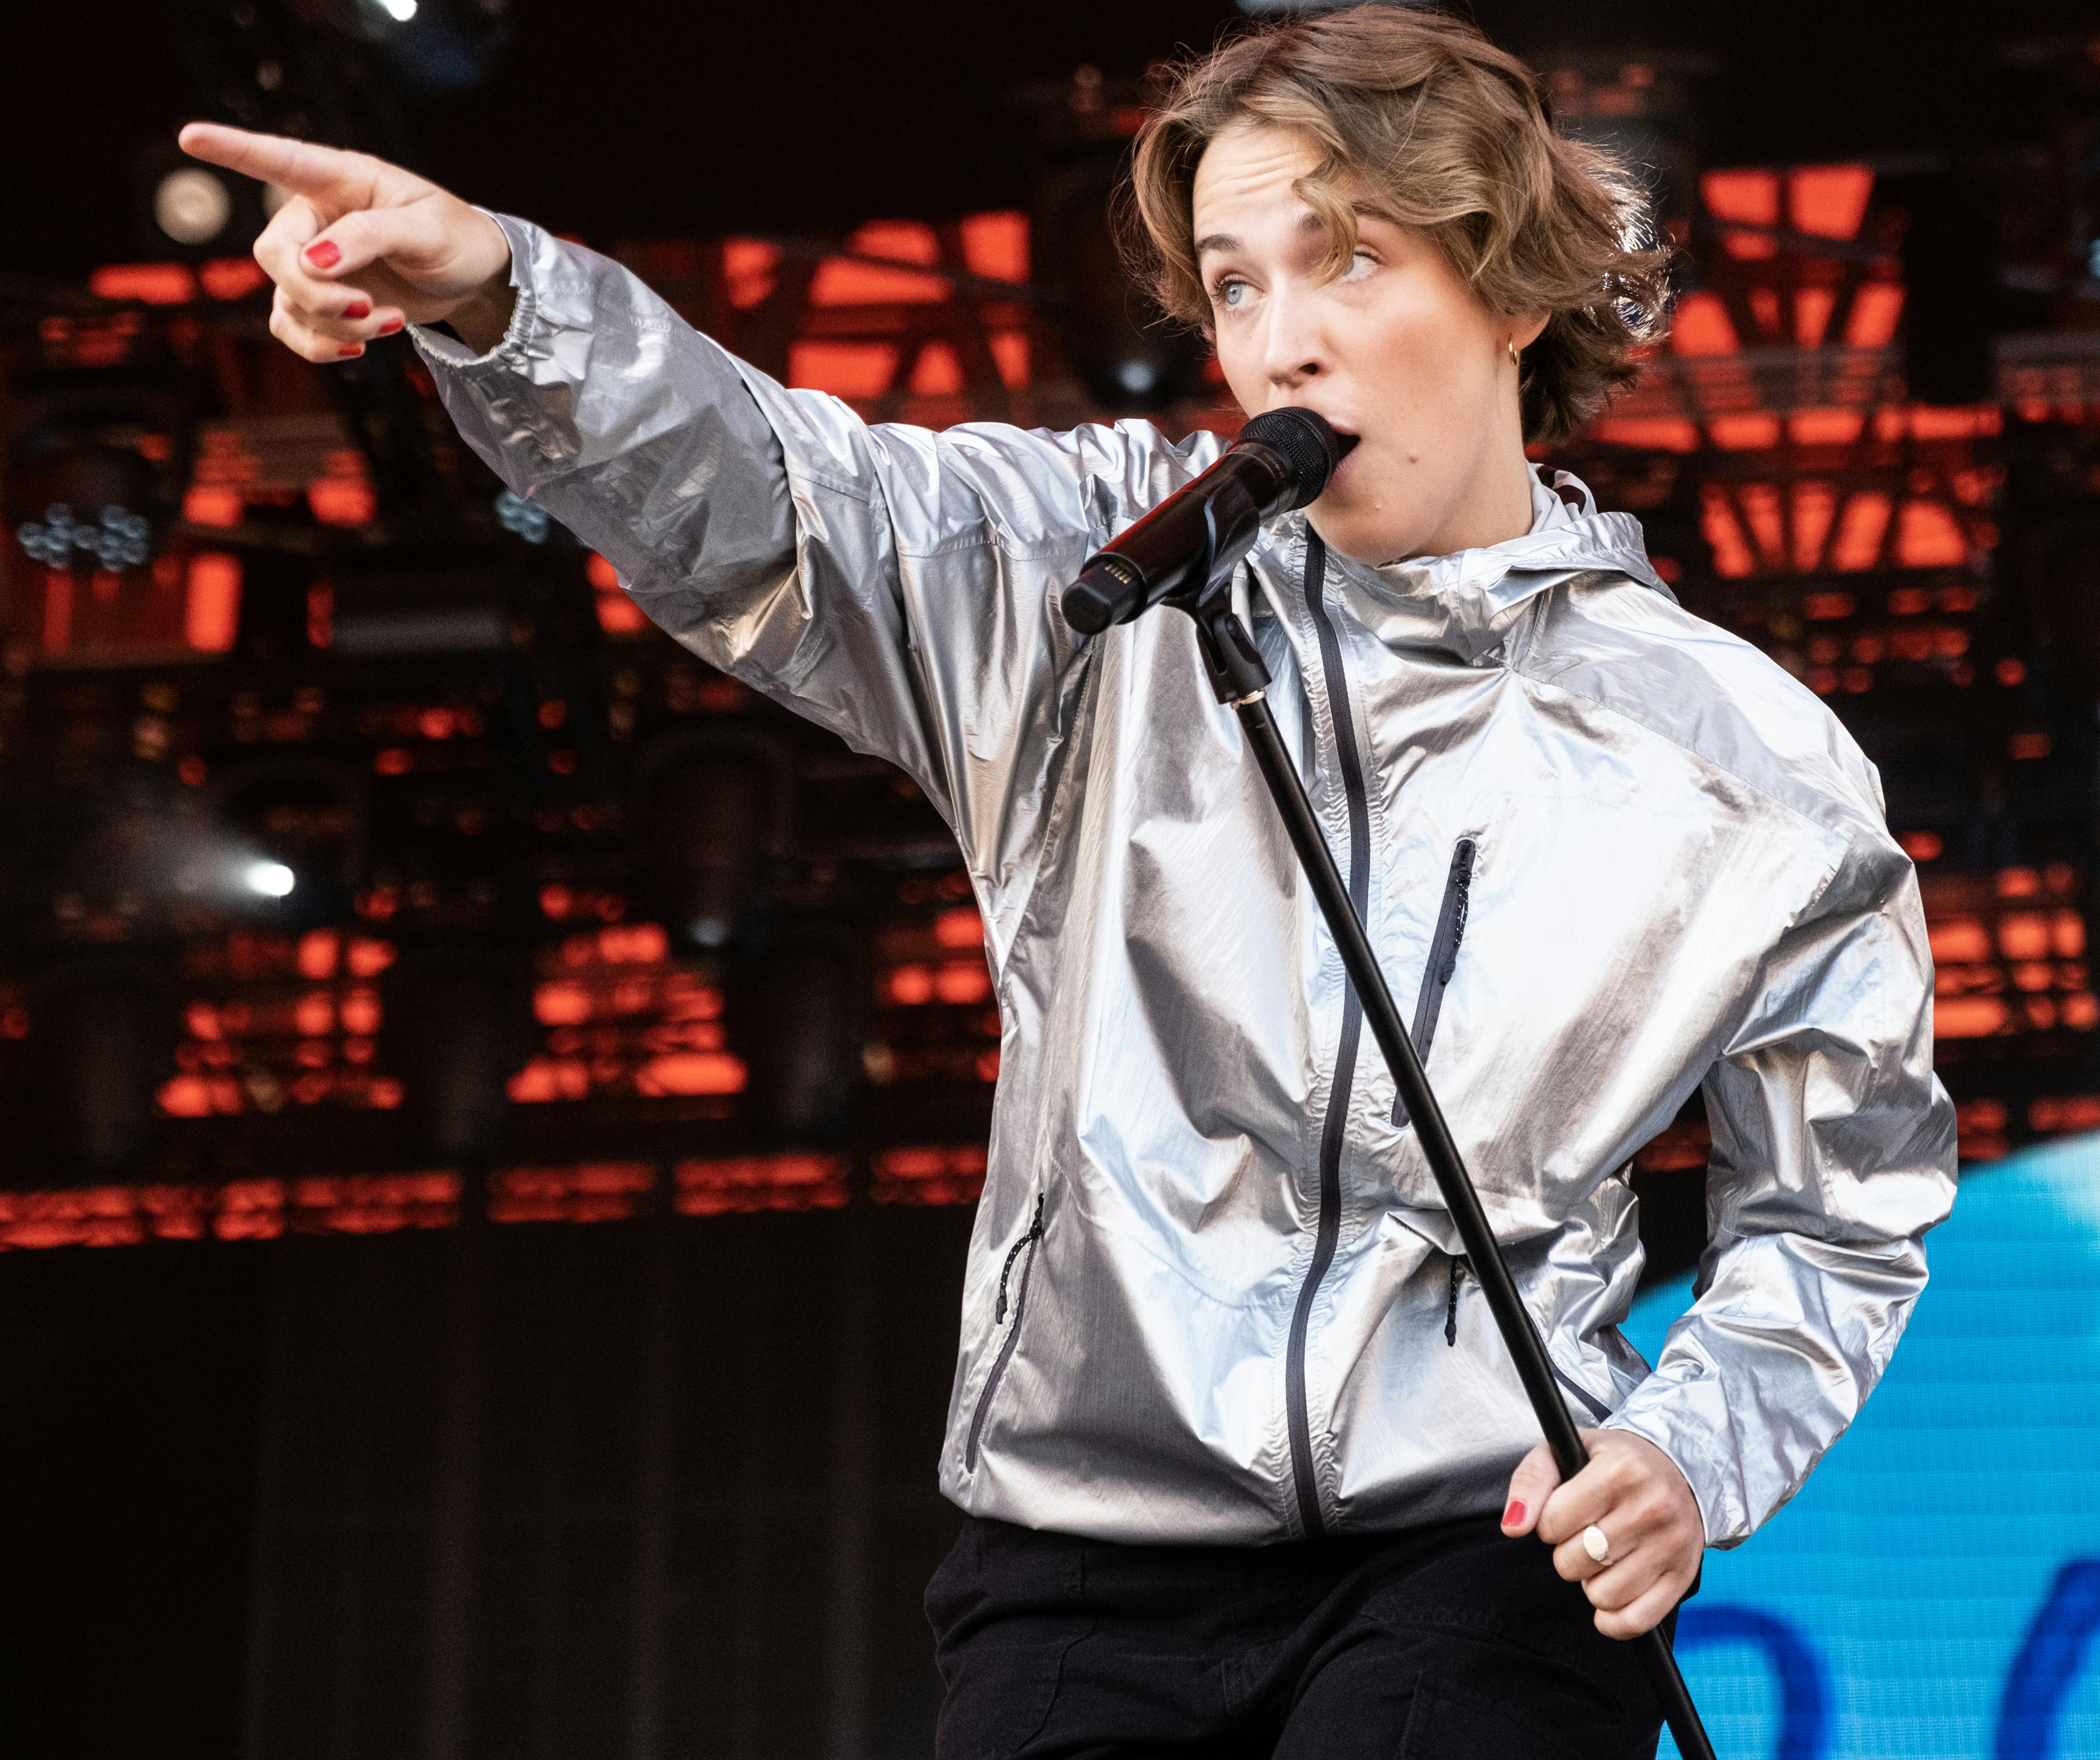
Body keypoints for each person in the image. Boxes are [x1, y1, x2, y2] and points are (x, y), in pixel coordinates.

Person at [186, 8, 1957, 1753]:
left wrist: (1685, 1451)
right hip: (1090, 1557)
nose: (1282, 347)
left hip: (1481, 1542)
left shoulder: (1743, 758)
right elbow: (783, 496)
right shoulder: (1094, 575)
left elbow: (1835, 1211)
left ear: (1507, 284)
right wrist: (498, 287)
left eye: (1343, 263)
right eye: (1238, 281)